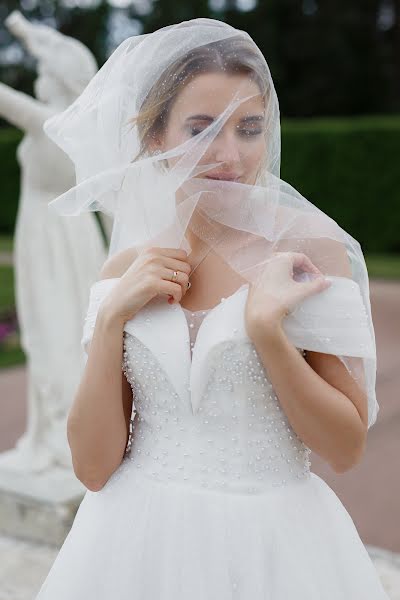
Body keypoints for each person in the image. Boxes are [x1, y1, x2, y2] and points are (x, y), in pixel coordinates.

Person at [34, 18, 388, 599]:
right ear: (153, 137)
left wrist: (268, 334)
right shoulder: (124, 272)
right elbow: (93, 468)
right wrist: (109, 322)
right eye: (202, 129)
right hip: (132, 544)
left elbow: (345, 449)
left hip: (274, 546)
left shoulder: (309, 254)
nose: (229, 154)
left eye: (249, 129)